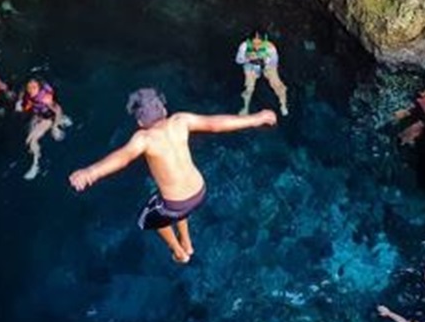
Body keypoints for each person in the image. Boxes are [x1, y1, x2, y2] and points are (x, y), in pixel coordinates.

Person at [68, 88, 277, 264]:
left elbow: (123, 157)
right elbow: (216, 124)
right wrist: (255, 118)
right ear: (165, 110)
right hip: (200, 190)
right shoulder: (180, 120)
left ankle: (179, 251)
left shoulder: (144, 138)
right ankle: (187, 241)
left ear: (140, 122)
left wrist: (91, 172)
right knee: (166, 201)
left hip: (178, 203)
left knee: (150, 217)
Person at [15, 78, 70, 180]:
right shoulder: (28, 93)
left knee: (32, 141)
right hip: (38, 116)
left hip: (48, 118)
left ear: (39, 88)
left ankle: (36, 166)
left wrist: (55, 127)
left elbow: (58, 110)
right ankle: (36, 151)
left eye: (34, 88)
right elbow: (23, 92)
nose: (31, 90)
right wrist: (19, 102)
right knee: (27, 141)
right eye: (29, 88)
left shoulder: (45, 98)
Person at [235, 29, 288, 116]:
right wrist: (248, 58)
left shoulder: (270, 47)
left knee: (278, 85)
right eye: (254, 43)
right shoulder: (244, 46)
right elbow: (238, 60)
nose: (256, 46)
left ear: (264, 41)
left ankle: (283, 105)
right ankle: (245, 107)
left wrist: (266, 61)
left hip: (268, 66)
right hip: (251, 66)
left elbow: (275, 62)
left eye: (259, 43)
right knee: (248, 87)